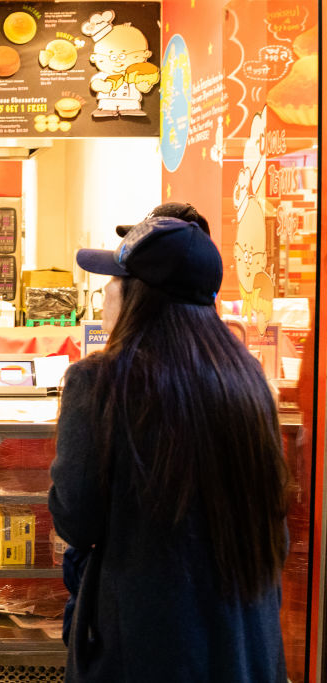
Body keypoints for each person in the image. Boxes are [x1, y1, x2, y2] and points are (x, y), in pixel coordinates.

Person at [49, 216, 288, 682]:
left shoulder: (98, 381)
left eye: (112, 284)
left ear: (138, 295)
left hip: (145, 640)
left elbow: (75, 518)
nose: (103, 299)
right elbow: (274, 526)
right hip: (243, 640)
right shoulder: (246, 380)